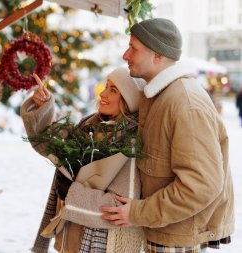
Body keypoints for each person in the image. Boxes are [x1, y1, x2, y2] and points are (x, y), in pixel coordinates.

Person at [100, 18, 234, 253]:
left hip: (178, 237)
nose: (125, 55)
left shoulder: (184, 103)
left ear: (158, 55)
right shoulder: (158, 95)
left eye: (134, 48)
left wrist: (139, 213)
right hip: (166, 230)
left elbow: (201, 185)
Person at [20, 68, 145, 253]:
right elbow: (48, 144)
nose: (102, 93)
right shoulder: (89, 127)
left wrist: (71, 193)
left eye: (113, 90)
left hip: (104, 246)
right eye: (106, 86)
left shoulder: (129, 143)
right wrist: (43, 106)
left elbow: (119, 209)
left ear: (129, 100)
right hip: (73, 240)